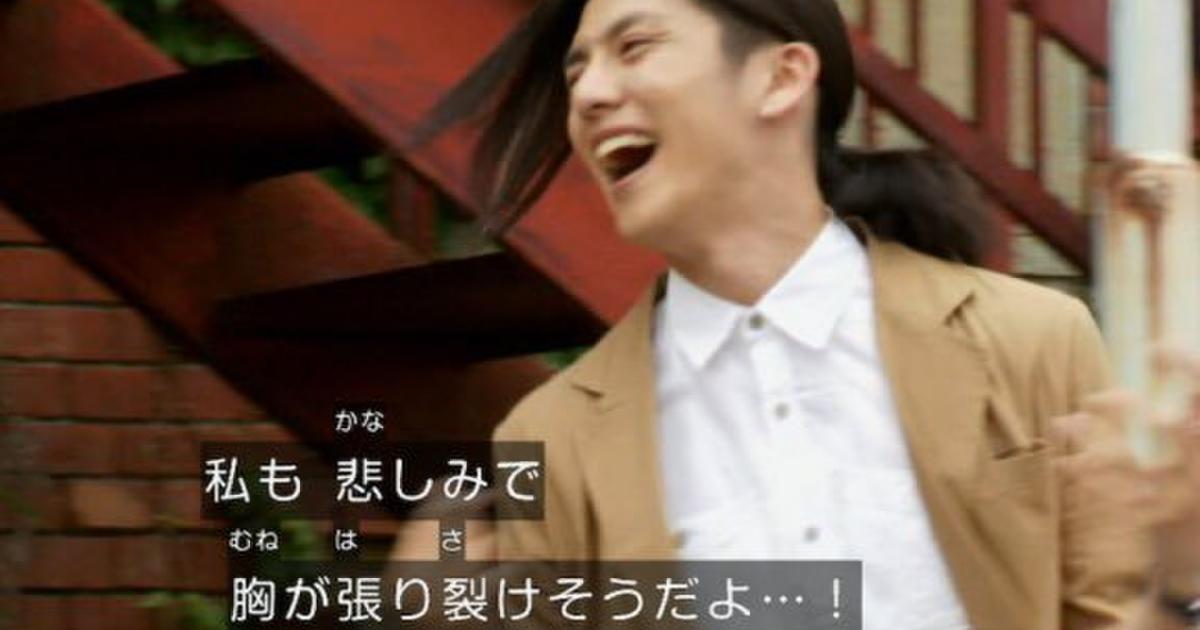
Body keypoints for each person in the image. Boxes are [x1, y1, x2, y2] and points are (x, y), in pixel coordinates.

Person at [415, 0, 1151, 627]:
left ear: (781, 77)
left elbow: (1119, 609)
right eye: (576, 72)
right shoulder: (550, 436)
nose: (589, 95)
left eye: (634, 47)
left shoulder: (1030, 337)